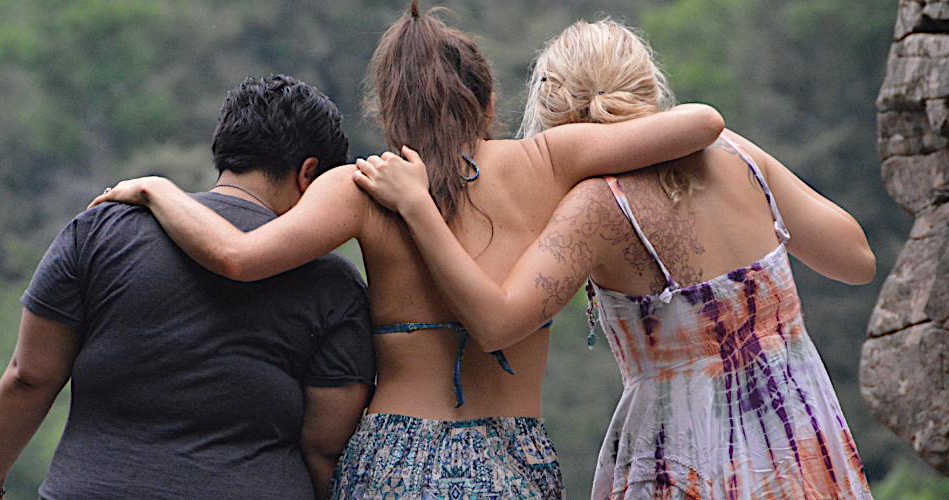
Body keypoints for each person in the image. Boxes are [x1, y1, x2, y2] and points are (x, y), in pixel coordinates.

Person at [89, 3, 724, 497]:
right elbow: (701, 123)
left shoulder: (360, 188)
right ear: (488, 102)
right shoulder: (548, 160)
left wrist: (156, 189)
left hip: (393, 461)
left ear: (387, 109)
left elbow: (236, 257)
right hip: (514, 461)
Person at [352, 19, 874, 499]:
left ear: (555, 114)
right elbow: (856, 260)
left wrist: (419, 209)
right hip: (800, 434)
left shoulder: (596, 207)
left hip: (682, 454)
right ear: (647, 84)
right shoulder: (735, 153)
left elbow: (497, 324)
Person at [0, 75, 374, 500]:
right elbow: (324, 446)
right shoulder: (334, 284)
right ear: (309, 174)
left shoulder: (100, 230)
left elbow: (29, 377)